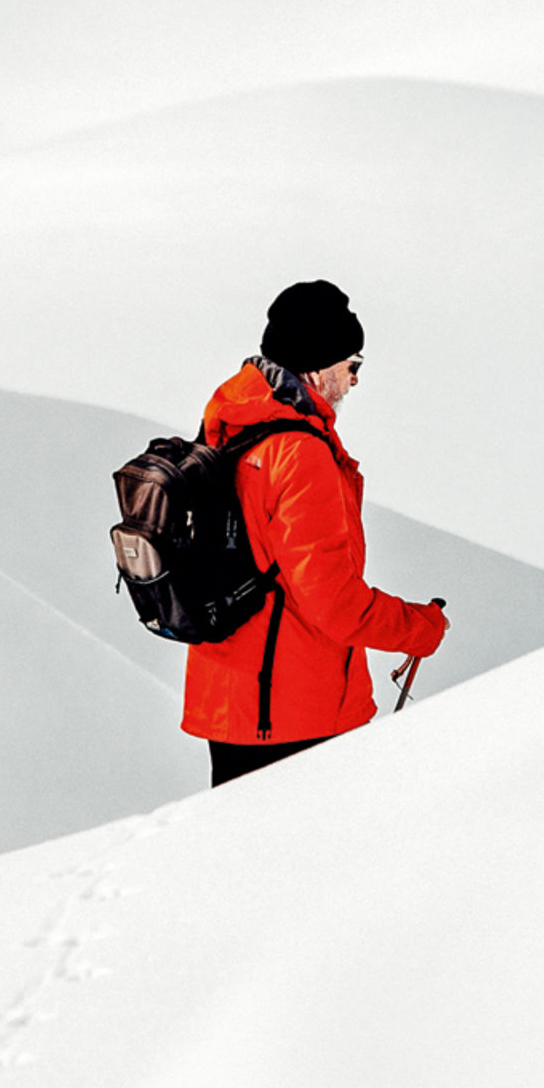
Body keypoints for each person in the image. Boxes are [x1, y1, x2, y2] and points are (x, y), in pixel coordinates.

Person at [186, 280, 446, 785]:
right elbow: (334, 602)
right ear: (316, 366)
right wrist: (420, 628)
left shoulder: (230, 426)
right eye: (352, 364)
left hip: (231, 700)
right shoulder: (298, 453)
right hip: (292, 713)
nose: (354, 380)